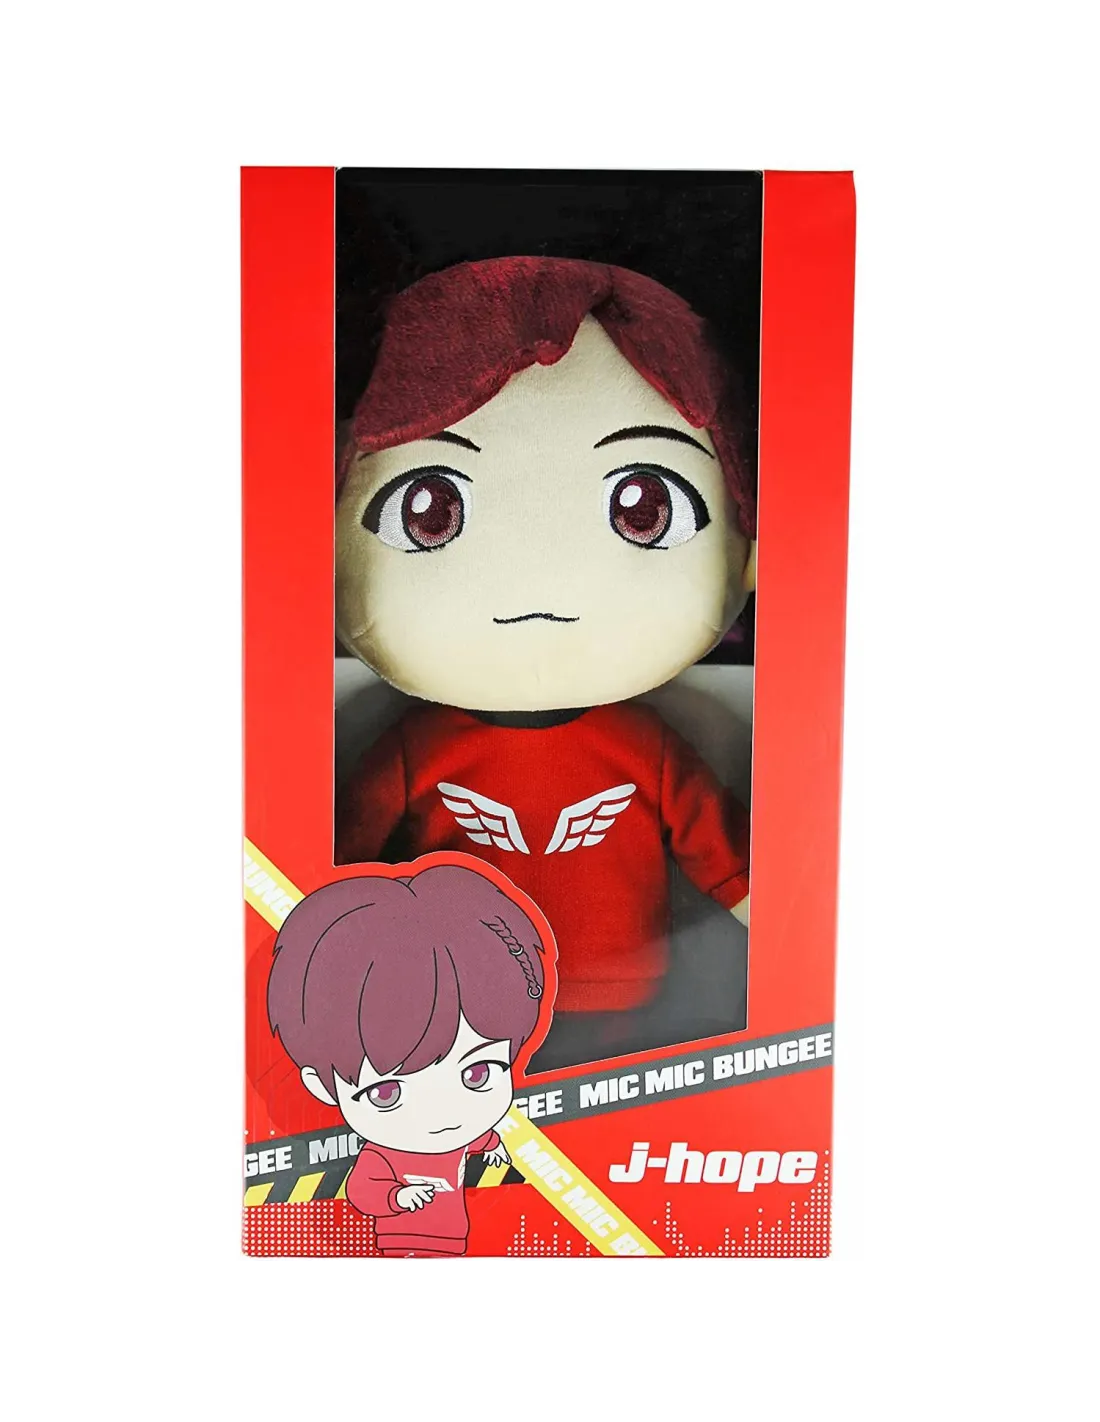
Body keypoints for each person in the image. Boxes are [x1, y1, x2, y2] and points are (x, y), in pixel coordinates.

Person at [335, 256, 753, 1027]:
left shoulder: (644, 746)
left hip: (616, 988)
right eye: (429, 511)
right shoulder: (419, 748)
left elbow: (721, 851)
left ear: (748, 549)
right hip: (455, 1002)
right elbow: (337, 873)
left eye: (644, 511)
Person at [267, 860, 549, 1257]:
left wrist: (493, 1144)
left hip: (457, 1240)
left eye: (478, 1073)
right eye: (386, 1093)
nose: (444, 1113)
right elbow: (362, 1191)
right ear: (322, 1087)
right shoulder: (384, 1153)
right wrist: (399, 1198)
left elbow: (477, 1139)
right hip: (401, 1244)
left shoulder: (456, 1136)